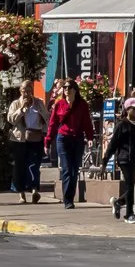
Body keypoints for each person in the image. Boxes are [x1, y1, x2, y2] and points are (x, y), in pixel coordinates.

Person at [47, 81, 94, 211]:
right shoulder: (59, 104)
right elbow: (52, 124)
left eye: (69, 87)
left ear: (75, 90)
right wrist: (48, 141)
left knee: (74, 170)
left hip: (77, 138)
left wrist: (90, 137)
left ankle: (70, 197)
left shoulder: (82, 104)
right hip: (63, 138)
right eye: (64, 88)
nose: (66, 90)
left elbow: (87, 122)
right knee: (67, 169)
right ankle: (68, 200)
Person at [106, 101, 135, 221]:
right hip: (125, 159)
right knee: (130, 184)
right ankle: (129, 214)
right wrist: (104, 161)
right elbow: (112, 145)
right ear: (127, 109)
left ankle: (119, 202)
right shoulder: (122, 125)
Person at [7, 83, 46, 204]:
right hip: (19, 139)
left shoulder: (39, 102)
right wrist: (21, 110)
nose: (27, 92)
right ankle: (21, 194)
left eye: (29, 89)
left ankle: (34, 190)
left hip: (35, 138)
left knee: (34, 165)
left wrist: (45, 132)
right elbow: (11, 119)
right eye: (24, 90)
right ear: (20, 90)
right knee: (20, 166)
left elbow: (47, 118)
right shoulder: (15, 104)